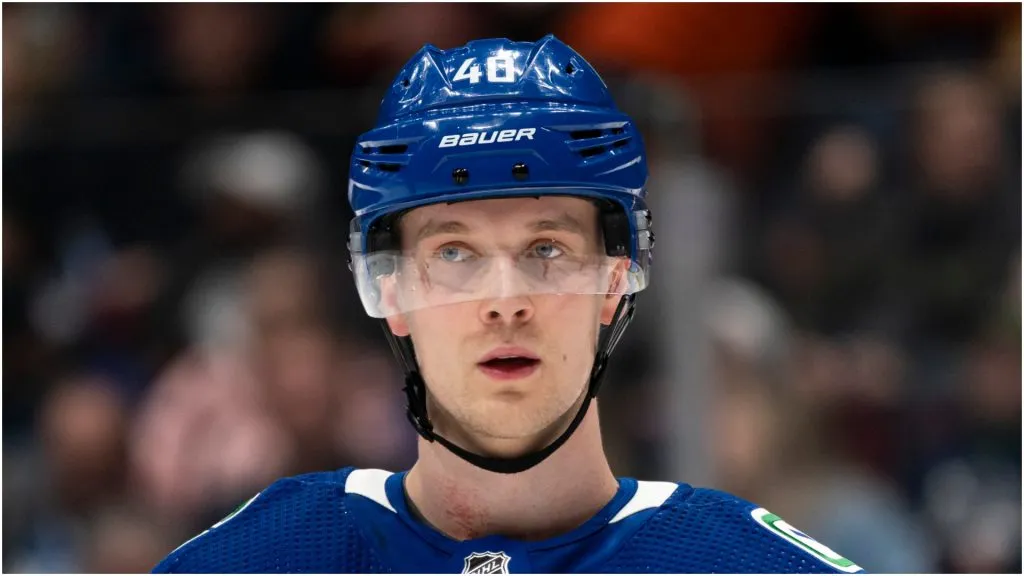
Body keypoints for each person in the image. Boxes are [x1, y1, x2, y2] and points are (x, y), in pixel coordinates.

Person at [152, 35, 864, 574]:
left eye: (546, 248)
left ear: (615, 280)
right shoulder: (262, 558)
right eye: (454, 253)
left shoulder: (744, 565)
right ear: (389, 289)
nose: (505, 302)